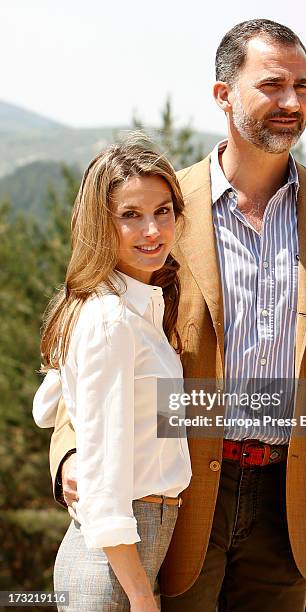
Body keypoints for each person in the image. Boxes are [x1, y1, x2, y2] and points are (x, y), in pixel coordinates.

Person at [46, 19, 306, 612]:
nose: (291, 102)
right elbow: (92, 329)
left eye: (302, 86)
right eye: (272, 84)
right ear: (223, 93)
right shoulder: (162, 209)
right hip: (183, 491)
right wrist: (71, 450)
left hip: (292, 500)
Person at [32, 135, 192, 611]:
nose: (152, 231)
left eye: (163, 211)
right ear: (100, 224)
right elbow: (102, 483)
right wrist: (142, 596)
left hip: (128, 556)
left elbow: (46, 407)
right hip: (115, 566)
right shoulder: (110, 319)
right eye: (131, 215)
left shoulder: (130, 309)